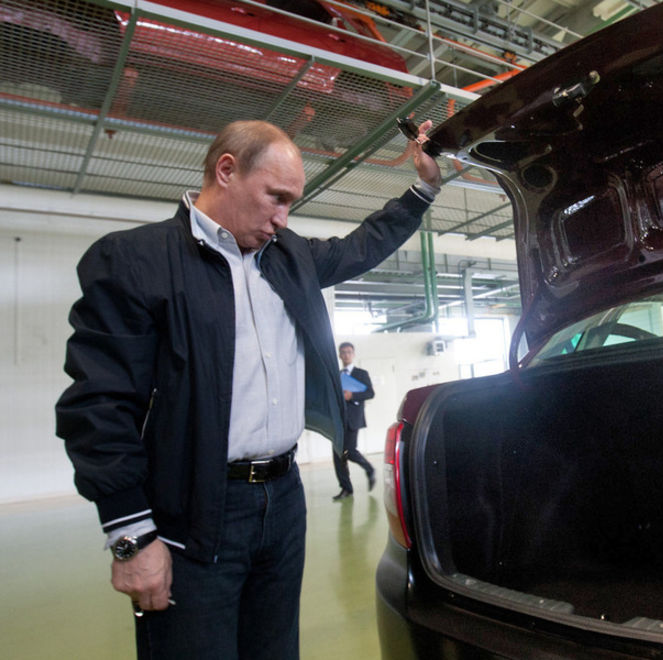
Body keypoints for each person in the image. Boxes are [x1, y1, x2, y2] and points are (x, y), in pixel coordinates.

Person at [55, 118, 441, 659]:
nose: (283, 218)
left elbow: (363, 245)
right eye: (275, 198)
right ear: (226, 170)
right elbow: (98, 404)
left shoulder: (289, 257)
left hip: (283, 502)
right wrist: (131, 535)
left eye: (291, 204)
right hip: (193, 510)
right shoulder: (136, 261)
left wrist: (424, 188)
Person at [332, 342, 375, 500]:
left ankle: (369, 469)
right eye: (343, 352)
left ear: (353, 354)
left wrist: (352, 396)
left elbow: (370, 393)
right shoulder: (337, 375)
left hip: (353, 418)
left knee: (349, 451)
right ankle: (346, 488)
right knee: (338, 454)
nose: (346, 355)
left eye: (349, 352)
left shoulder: (361, 374)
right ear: (339, 355)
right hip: (338, 420)